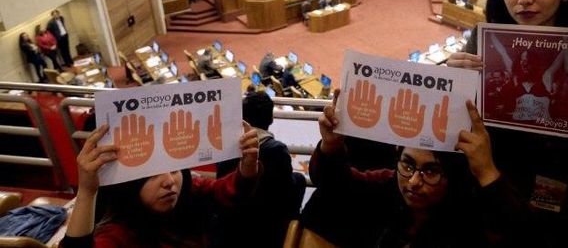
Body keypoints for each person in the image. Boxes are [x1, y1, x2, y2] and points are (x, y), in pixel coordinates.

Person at [447, 0, 568, 247]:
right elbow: (464, 114)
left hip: (559, 197)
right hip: (489, 183)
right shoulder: (484, 39)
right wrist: (453, 82)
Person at [301, 93, 538, 247]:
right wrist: (331, 146)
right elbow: (334, 183)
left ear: (454, 176)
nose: (413, 181)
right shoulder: (388, 183)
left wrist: (486, 171)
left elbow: (522, 237)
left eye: (431, 171)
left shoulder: (471, 215)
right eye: (408, 164)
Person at [60, 123, 259, 247]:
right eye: (152, 175)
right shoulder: (118, 235)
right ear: (129, 185)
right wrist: (87, 190)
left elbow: (229, 191)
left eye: (174, 169)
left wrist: (248, 165)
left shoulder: (188, 189)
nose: (169, 181)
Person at [215, 91, 305, 247]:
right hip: (267, 232)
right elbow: (286, 197)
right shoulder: (277, 150)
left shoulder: (227, 146)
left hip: (229, 231)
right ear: (271, 118)